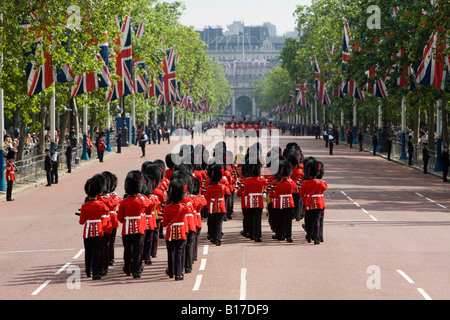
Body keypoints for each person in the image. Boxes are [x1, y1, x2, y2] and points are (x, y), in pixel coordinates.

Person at [117, 171, 148, 278]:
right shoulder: (141, 202)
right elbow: (147, 205)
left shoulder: (123, 203)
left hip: (126, 229)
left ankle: (127, 267)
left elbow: (120, 218)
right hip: (139, 228)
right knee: (137, 250)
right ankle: (136, 271)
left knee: (127, 250)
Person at [79, 176, 109, 280]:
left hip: (87, 232)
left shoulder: (84, 206)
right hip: (99, 230)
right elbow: (105, 220)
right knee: (97, 252)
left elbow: (81, 222)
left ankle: (88, 271)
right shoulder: (101, 205)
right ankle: (96, 273)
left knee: (88, 252)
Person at [162, 179, 189, 281]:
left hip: (170, 234)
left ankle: (171, 271)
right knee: (179, 252)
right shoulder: (184, 208)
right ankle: (178, 273)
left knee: (170, 252)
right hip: (181, 232)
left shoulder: (167, 209)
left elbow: (164, 224)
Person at [300, 158, 328, 245]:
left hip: (308, 204)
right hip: (318, 204)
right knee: (316, 220)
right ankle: (316, 238)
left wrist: (306, 200)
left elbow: (301, 194)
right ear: (316, 174)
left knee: (308, 220)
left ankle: (308, 235)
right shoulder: (320, 183)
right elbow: (324, 188)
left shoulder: (305, 183)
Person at [204, 164, 227, 246]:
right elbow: (228, 192)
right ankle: (217, 238)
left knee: (212, 223)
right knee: (218, 223)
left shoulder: (209, 188)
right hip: (220, 207)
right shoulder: (223, 187)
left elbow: (206, 198)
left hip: (211, 207)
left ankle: (214, 237)